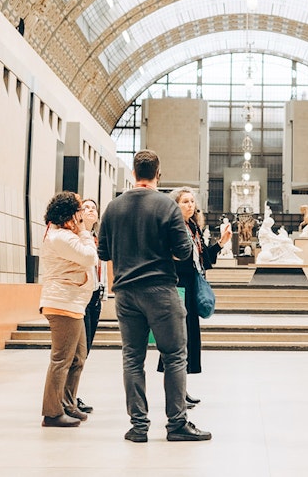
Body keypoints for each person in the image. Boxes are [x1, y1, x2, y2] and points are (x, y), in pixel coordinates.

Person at [97, 150, 211, 443]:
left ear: (134, 173)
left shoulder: (112, 207)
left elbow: (103, 253)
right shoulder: (166, 206)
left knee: (132, 358)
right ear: (157, 173)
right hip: (160, 290)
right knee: (174, 356)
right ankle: (176, 424)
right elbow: (183, 251)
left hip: (125, 292)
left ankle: (138, 427)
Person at [156, 188, 231, 407]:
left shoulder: (192, 227)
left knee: (187, 341)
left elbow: (202, 257)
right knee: (176, 341)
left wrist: (221, 243)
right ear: (175, 205)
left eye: (192, 201)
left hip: (189, 287)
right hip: (177, 287)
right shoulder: (173, 228)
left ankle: (182, 388)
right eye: (185, 201)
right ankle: (175, 393)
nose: (190, 205)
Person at [38, 191, 99, 428]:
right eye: (78, 211)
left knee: (78, 357)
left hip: (73, 304)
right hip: (63, 304)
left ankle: (67, 403)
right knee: (62, 359)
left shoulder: (63, 235)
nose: (81, 216)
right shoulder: (61, 237)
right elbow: (89, 257)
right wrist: (83, 230)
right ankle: (52, 413)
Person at [76, 198, 103, 415]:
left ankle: (72, 394)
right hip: (81, 298)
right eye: (86, 207)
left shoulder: (95, 238)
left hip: (95, 296)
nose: (90, 210)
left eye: (93, 208)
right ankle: (69, 396)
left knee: (85, 352)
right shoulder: (76, 237)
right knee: (77, 351)